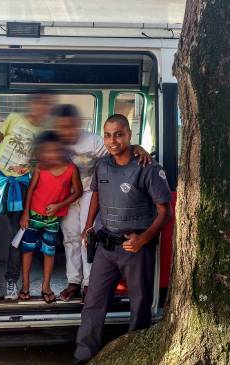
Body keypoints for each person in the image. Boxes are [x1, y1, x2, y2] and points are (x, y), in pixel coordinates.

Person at [73, 114, 171, 364]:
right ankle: (84, 355)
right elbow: (96, 194)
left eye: (118, 134)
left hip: (136, 249)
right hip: (106, 247)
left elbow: (165, 212)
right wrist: (88, 226)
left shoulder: (148, 167)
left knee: (140, 308)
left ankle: (135, 356)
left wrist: (143, 238)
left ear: (129, 135)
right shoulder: (102, 166)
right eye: (108, 134)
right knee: (93, 303)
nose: (113, 140)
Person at [53, 105, 152, 302]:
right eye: (62, 128)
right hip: (67, 195)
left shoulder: (92, 141)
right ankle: (73, 281)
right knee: (70, 237)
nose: (67, 131)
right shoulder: (55, 143)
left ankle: (89, 283)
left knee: (87, 236)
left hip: (91, 191)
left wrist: (136, 148)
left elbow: (115, 148)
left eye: (70, 127)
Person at [0, 92, 54, 303]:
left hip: (21, 184)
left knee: (16, 235)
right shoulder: (14, 117)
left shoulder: (44, 132)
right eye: (38, 104)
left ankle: (12, 279)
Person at [18, 131, 83, 303]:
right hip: (33, 215)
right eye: (47, 151)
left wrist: (60, 206)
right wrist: (25, 213)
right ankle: (25, 286)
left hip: (53, 219)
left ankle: (45, 287)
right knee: (28, 250)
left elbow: (78, 191)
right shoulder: (40, 167)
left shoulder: (71, 169)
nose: (51, 154)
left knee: (49, 251)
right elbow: (31, 189)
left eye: (55, 150)